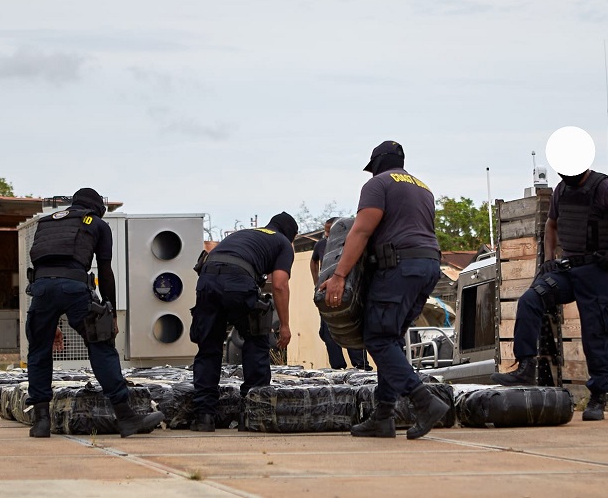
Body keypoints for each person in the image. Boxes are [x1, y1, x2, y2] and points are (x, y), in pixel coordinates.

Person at [491, 128, 608, 421]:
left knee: (595, 334)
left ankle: (598, 397)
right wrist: (549, 259)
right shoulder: (561, 190)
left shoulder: (606, 188)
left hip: (599, 273)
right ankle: (525, 367)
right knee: (530, 300)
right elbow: (551, 225)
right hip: (569, 269)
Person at [320, 141, 447, 440]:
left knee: (377, 338)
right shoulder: (422, 187)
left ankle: (423, 401)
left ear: (376, 164)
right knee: (390, 340)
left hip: (399, 267)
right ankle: (384, 415)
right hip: (428, 266)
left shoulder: (378, 184)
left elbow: (361, 230)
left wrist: (339, 275)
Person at [25, 187, 165, 438]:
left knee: (38, 350)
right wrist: (109, 310)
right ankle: (126, 417)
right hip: (76, 288)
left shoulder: (46, 222)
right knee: (100, 345)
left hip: (41, 290)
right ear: (97, 208)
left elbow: (44, 266)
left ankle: (41, 421)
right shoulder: (98, 224)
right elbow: (105, 270)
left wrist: (52, 318)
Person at [189, 212, 297, 432]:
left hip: (207, 280)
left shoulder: (246, 234)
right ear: (291, 236)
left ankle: (204, 416)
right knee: (256, 339)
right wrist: (284, 325)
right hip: (238, 281)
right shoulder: (283, 243)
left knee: (209, 347)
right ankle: (253, 413)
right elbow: (279, 284)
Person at [311, 217, 371, 370]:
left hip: (346, 291)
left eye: (329, 231)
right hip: (326, 292)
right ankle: (337, 367)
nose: (326, 234)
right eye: (325, 230)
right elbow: (313, 262)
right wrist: (316, 283)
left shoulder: (350, 242)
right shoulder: (321, 245)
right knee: (327, 332)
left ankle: (361, 365)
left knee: (351, 328)